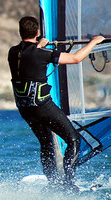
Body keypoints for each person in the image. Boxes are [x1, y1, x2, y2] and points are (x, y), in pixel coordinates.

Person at [8, 16, 104, 189]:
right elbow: (76, 58)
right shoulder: (42, 54)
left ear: (20, 32)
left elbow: (28, 53)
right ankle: (68, 184)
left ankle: (54, 183)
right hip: (42, 107)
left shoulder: (13, 52)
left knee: (45, 142)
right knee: (73, 140)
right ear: (37, 32)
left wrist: (39, 45)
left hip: (25, 109)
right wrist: (94, 43)